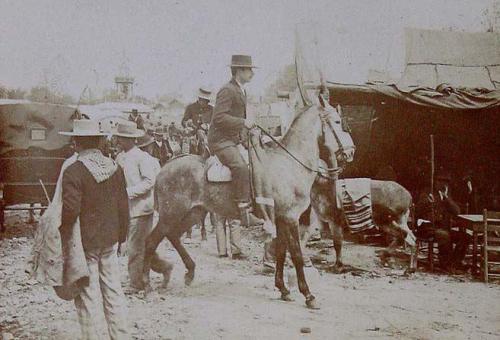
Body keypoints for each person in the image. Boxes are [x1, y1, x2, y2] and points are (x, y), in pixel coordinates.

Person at [59, 119, 130, 339]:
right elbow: (123, 207)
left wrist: (63, 234)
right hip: (110, 240)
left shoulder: (74, 171)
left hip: (85, 243)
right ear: (99, 141)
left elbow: (70, 210)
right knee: (113, 291)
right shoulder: (115, 168)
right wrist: (122, 237)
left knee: (88, 296)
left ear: (76, 143)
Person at [114, 121, 173, 292]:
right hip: (127, 209)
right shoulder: (120, 158)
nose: (119, 141)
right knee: (142, 246)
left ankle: (136, 283)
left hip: (141, 209)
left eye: (123, 138)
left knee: (135, 248)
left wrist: (127, 193)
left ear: (132, 140)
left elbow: (149, 181)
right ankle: (164, 267)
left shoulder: (143, 158)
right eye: (119, 138)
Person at [207, 54, 264, 227]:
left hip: (232, 139)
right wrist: (243, 122)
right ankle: (244, 211)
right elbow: (219, 118)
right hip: (220, 141)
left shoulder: (240, 89)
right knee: (240, 168)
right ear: (239, 70)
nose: (252, 74)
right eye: (249, 70)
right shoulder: (227, 90)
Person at [416, 172, 470, 272]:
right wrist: (427, 202)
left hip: (442, 229)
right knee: (444, 235)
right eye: (440, 181)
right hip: (427, 228)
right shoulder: (428, 192)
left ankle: (455, 262)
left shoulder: (446, 195)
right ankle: (445, 264)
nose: (443, 184)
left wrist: (447, 198)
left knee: (465, 237)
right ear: (435, 182)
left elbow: (457, 211)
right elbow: (418, 210)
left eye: (446, 182)